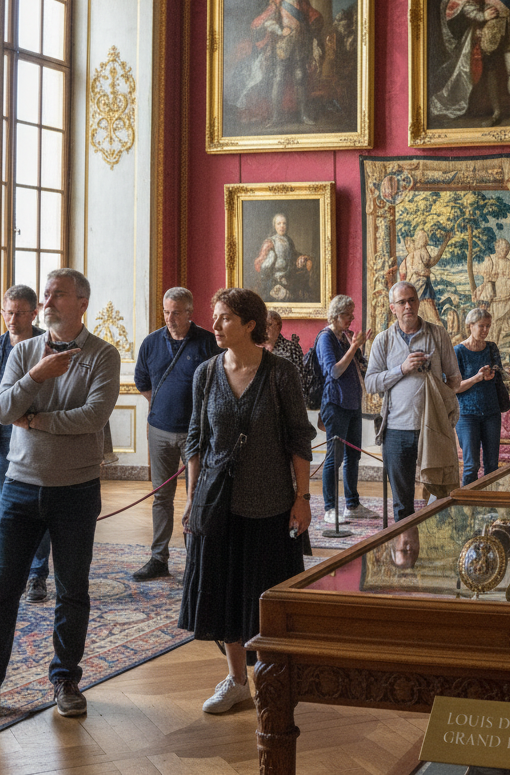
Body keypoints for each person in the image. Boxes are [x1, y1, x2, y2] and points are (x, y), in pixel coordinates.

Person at [0, 269, 121, 724]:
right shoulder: (23, 352)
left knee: (72, 591)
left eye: (58, 294)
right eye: (46, 294)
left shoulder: (103, 355)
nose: (48, 301)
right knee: (1, 590)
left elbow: (93, 416)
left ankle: (66, 679)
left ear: (82, 301)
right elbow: (3, 410)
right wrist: (37, 376)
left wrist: (38, 420)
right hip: (20, 488)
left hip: (76, 490)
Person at [179, 288, 315, 714]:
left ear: (249, 325)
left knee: (265, 595)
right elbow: (196, 441)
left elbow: (299, 440)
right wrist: (192, 500)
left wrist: (303, 498)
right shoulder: (205, 373)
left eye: (224, 319)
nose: (215, 325)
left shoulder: (279, 374)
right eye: (215, 317)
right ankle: (237, 681)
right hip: (217, 503)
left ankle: (274, 677)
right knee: (223, 594)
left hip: (270, 503)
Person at [0, 285, 49, 600]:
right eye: (7, 312)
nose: (12, 319)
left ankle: (37, 575)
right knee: (10, 508)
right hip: (0, 441)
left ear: (33, 313)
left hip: (35, 440)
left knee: (38, 509)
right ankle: (7, 572)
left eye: (18, 313)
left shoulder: (46, 346)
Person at [131, 287, 218, 581]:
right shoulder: (151, 343)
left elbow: (220, 384)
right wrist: (162, 406)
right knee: (161, 497)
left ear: (190, 313)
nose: (170, 318)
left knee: (198, 495)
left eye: (176, 313)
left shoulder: (207, 342)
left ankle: (197, 558)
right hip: (159, 431)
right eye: (166, 312)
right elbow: (142, 381)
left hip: (197, 433)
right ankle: (159, 558)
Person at [365, 281, 462, 522]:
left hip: (434, 429)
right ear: (392, 308)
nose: (408, 305)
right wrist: (402, 369)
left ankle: (436, 549)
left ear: (418, 303)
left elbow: (455, 379)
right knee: (402, 503)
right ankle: (407, 552)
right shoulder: (383, 340)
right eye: (402, 302)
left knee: (442, 495)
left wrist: (438, 405)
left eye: (412, 300)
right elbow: (371, 383)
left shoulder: (437, 333)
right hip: (396, 431)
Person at [316, 294, 375, 523]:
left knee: (353, 456)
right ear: (337, 314)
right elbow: (334, 372)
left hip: (352, 404)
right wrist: (354, 348)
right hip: (335, 404)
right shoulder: (326, 338)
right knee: (334, 458)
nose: (352, 318)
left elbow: (359, 366)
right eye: (348, 314)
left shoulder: (344, 337)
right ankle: (330, 508)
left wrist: (361, 348)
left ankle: (352, 504)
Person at [241, 0, 323, 127]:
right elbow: (266, 19)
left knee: (300, 76)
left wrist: (314, 25)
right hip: (282, 45)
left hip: (299, 43)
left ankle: (303, 115)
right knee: (278, 78)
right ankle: (275, 117)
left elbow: (312, 15)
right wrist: (280, 30)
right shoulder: (277, 1)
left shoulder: (301, 0)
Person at [454, 307, 504, 485]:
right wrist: (477, 378)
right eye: (481, 326)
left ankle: (490, 507)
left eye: (488, 326)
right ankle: (468, 508)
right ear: (470, 326)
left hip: (491, 412)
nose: (485, 330)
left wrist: (493, 374)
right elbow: (453, 387)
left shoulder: (491, 348)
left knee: (492, 466)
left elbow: (500, 373)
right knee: (471, 465)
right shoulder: (458, 351)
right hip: (467, 414)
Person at [398, 228, 452, 326]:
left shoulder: (407, 258)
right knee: (431, 313)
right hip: (424, 286)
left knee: (418, 312)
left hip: (413, 289)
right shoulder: (422, 251)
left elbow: (402, 278)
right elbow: (432, 262)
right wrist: (444, 243)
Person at [254, 212, 313, 303]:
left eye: (284, 223)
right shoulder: (270, 242)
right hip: (274, 282)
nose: (282, 226)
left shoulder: (289, 240)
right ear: (274, 226)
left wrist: (302, 258)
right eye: (279, 223)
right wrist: (269, 260)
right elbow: (259, 265)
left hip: (289, 279)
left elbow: (294, 255)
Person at [472, 238, 510, 342]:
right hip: (494, 297)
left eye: (506, 250)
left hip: (507, 297)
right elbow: (484, 276)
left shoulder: (509, 263)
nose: (505, 251)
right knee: (493, 322)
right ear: (496, 248)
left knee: (505, 323)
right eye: (502, 249)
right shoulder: (490, 260)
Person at [264, 309, 303, 373]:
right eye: (263, 325)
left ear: (278, 327)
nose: (265, 328)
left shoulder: (292, 348)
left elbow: (300, 377)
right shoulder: (255, 348)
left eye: (269, 324)